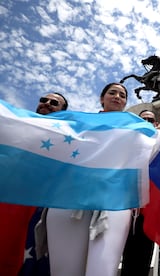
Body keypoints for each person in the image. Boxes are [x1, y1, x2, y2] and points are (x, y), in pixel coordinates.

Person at [44, 83, 132, 276]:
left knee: (102, 271)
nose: (117, 96)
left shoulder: (136, 130)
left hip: (113, 203)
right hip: (70, 200)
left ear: (125, 103)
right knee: (65, 271)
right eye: (112, 93)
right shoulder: (79, 124)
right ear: (102, 99)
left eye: (122, 95)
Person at [0, 92, 68, 276]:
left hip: (38, 209)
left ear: (62, 111)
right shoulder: (14, 126)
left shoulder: (66, 139)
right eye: (43, 100)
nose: (46, 103)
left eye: (54, 103)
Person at [121, 109, 160, 276]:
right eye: (143, 119)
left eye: (151, 120)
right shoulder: (128, 143)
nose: (147, 122)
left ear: (155, 124)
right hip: (125, 211)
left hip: (148, 213)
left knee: (143, 260)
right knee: (125, 260)